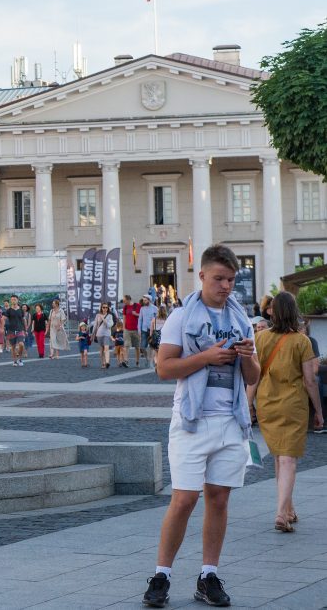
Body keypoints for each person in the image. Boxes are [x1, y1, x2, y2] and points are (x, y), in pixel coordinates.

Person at [141, 245, 259, 608]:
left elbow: (255, 374)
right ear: (203, 276)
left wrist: (245, 357)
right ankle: (162, 574)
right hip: (191, 420)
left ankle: (208, 574)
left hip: (230, 420)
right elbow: (164, 368)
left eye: (231, 280)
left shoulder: (241, 319)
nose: (226, 286)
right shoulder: (181, 316)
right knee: (184, 499)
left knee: (219, 499)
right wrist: (206, 357)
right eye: (220, 279)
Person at [246, 292, 324, 532]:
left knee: (280, 457)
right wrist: (319, 411)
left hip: (267, 404)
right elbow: (310, 381)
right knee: (288, 458)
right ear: (294, 312)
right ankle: (281, 513)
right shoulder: (302, 341)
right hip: (293, 404)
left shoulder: (259, 338)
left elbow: (254, 377)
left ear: (273, 312)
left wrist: (248, 405)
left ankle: (288, 508)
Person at [92, 303, 114, 369]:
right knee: (101, 350)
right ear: (101, 308)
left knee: (106, 348)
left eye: (106, 307)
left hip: (107, 334)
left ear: (108, 308)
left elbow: (110, 325)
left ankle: (107, 362)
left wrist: (104, 320)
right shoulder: (97, 315)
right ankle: (103, 363)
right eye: (103, 307)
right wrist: (92, 334)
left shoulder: (110, 316)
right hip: (99, 334)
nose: (105, 309)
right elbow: (95, 325)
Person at [6, 295, 27, 366]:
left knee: (21, 344)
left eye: (15, 299)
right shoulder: (8, 310)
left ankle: (20, 359)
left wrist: (25, 329)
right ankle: (15, 361)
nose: (13, 301)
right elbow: (4, 319)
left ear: (17, 300)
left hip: (20, 330)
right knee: (13, 347)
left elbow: (23, 320)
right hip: (11, 330)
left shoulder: (21, 310)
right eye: (12, 299)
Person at [122, 295, 143, 367]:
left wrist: (136, 314)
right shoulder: (125, 307)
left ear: (129, 300)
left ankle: (137, 362)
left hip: (136, 329)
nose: (124, 302)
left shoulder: (137, 306)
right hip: (127, 329)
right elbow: (124, 318)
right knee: (126, 345)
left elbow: (142, 315)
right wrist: (124, 328)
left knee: (137, 346)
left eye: (124, 301)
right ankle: (126, 361)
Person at [139, 295, 159, 367]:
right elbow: (140, 320)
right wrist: (139, 329)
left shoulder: (155, 308)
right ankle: (147, 358)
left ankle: (151, 362)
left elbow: (158, 319)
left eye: (145, 300)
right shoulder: (142, 309)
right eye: (143, 300)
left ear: (149, 300)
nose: (144, 302)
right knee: (142, 347)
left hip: (153, 330)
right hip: (144, 329)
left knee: (152, 347)